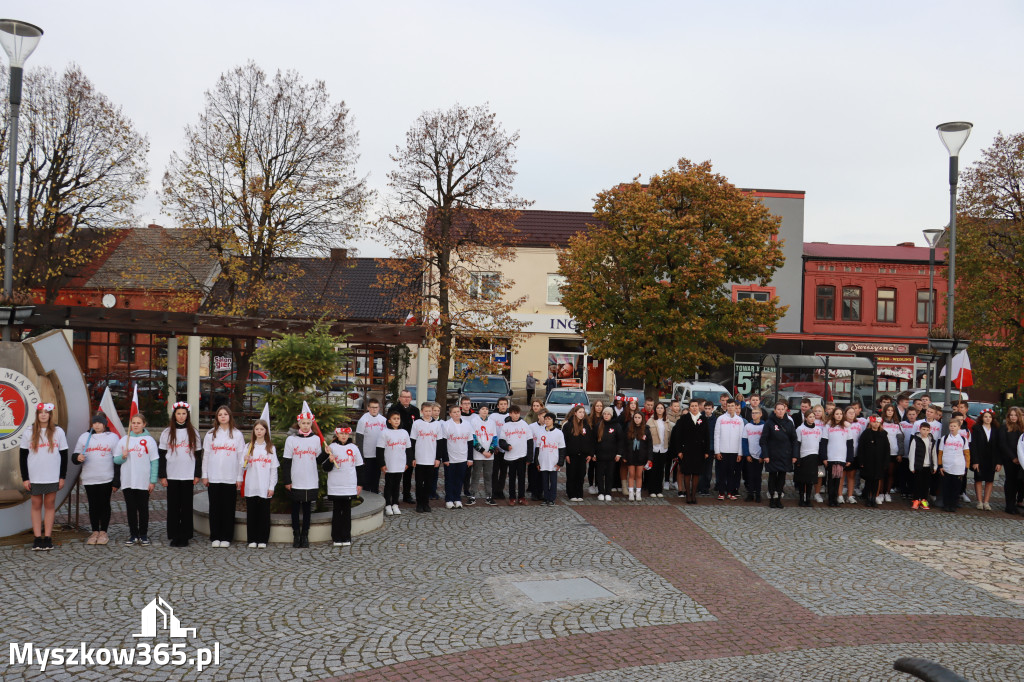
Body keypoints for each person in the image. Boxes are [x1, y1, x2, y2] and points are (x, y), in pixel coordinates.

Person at [21, 403, 69, 551]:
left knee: (49, 505)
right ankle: (37, 538)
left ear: (50, 415)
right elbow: (23, 456)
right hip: (35, 476)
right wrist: (25, 478)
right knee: (36, 505)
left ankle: (47, 537)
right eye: (40, 412)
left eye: (46, 412)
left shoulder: (58, 432)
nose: (43, 415)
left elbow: (64, 455)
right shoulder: (29, 432)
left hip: (52, 475)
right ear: (36, 415)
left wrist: (62, 477)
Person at [72, 413, 120, 546]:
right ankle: (94, 531)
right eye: (95, 422)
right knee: (93, 505)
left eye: (100, 422)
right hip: (89, 477)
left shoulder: (112, 438)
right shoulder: (84, 437)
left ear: (105, 424)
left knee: (104, 504)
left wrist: (117, 480)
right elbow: (75, 455)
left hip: (106, 477)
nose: (97, 425)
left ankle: (103, 531)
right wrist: (77, 458)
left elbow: (117, 460)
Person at [159, 402, 203, 548]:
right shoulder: (167, 433)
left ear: (187, 415)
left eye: (184, 413)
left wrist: (197, 473)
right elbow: (162, 454)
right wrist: (163, 475)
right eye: (178, 413)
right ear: (174, 415)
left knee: (186, 506)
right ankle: (174, 534)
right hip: (172, 474)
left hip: (187, 474)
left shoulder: (193, 432)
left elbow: (198, 455)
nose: (181, 416)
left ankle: (185, 535)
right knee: (173, 506)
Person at [282, 406, 327, 547]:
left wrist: (326, 452)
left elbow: (318, 461)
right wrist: (287, 480)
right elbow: (286, 462)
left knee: (307, 509)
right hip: (296, 480)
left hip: (310, 480)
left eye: (308, 423)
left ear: (311, 424)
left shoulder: (315, 440)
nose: (306, 426)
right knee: (295, 508)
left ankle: (305, 535)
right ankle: (296, 534)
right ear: (299, 424)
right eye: (303, 423)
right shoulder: (291, 440)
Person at [202, 405, 246, 548]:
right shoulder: (210, 434)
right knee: (215, 508)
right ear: (216, 417)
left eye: (225, 414)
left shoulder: (237, 435)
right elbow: (206, 456)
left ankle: (227, 536)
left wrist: (240, 477)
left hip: (230, 477)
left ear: (229, 416)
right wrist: (205, 475)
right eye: (220, 414)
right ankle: (215, 536)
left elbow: (241, 457)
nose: (222, 416)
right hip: (214, 477)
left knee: (228, 508)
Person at [114, 413, 158, 546]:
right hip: (128, 480)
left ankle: (143, 534)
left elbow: (154, 461)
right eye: (133, 423)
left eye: (139, 423)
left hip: (143, 480)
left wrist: (153, 480)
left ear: (144, 424)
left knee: (143, 508)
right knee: (131, 508)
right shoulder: (124, 440)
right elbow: (116, 460)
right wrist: (123, 456)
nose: (136, 425)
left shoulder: (149, 440)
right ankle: (133, 534)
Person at [240, 418, 278, 548]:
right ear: (254, 431)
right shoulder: (248, 447)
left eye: (262, 429)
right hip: (252, 485)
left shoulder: (271, 448)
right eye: (257, 429)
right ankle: (252, 539)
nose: (259, 431)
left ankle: (262, 539)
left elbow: (273, 469)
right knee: (252, 513)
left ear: (266, 431)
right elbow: (243, 467)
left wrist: (271, 486)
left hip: (264, 486)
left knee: (264, 514)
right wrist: (245, 460)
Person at [324, 425, 362, 546]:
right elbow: (325, 468)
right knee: (336, 511)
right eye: (341, 434)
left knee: (346, 512)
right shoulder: (331, 448)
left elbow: (360, 467)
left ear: (349, 435)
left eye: (346, 434)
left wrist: (360, 484)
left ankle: (346, 536)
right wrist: (329, 460)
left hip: (349, 484)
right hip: (336, 485)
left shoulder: (354, 448)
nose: (344, 436)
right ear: (337, 435)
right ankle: (336, 537)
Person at [669, 399, 710, 504]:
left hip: (699, 450)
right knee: (687, 472)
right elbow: (678, 436)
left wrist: (706, 451)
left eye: (696, 406)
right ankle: (687, 494)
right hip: (686, 450)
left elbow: (707, 435)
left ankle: (693, 494)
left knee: (696, 473)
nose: (694, 408)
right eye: (692, 406)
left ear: (699, 407)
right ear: (689, 407)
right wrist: (679, 451)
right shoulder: (684, 419)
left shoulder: (703, 418)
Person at [760, 400, 798, 508]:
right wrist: (765, 455)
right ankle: (772, 497)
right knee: (772, 477)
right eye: (778, 409)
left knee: (782, 477)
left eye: (782, 409)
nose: (780, 411)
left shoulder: (789, 423)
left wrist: (795, 455)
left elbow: (794, 440)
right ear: (775, 410)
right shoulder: (769, 422)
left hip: (785, 455)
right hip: (772, 455)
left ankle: (779, 498)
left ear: (785, 410)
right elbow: (763, 440)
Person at [409, 402, 443, 513]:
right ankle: (419, 503)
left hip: (431, 458)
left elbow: (440, 442)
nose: (428, 413)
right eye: (426, 411)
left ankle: (426, 503)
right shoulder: (417, 423)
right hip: (419, 458)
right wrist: (412, 457)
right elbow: (412, 441)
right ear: (422, 411)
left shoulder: (437, 424)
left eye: (430, 411)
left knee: (429, 483)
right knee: (419, 483)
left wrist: (438, 458)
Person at [498, 404, 534, 505]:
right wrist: (506, 446)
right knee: (512, 477)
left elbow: (530, 441)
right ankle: (512, 497)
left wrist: (529, 457)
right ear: (510, 414)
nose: (516, 415)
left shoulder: (524, 424)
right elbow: (501, 441)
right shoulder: (506, 425)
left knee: (522, 477)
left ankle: (522, 497)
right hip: (510, 456)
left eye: (517, 413)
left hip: (522, 455)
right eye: (514, 413)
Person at [391, 389, 421, 504]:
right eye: (404, 397)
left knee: (408, 470)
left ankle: (407, 494)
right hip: (396, 443)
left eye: (408, 397)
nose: (406, 399)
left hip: (410, 444)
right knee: (395, 471)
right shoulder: (394, 409)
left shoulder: (415, 410)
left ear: (411, 398)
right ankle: (394, 495)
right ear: (400, 398)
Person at [378, 411, 411, 516]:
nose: (396, 420)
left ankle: (395, 504)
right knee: (389, 484)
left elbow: (409, 449)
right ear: (389, 421)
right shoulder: (385, 433)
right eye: (394, 418)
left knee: (397, 484)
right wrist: (382, 464)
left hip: (400, 462)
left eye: (398, 418)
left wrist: (408, 462)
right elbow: (379, 450)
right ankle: (387, 504)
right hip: (389, 463)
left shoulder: (404, 432)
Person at [819, 407, 853, 507]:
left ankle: (836, 498)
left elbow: (850, 444)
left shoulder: (846, 427)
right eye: (837, 414)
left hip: (842, 456)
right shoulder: (828, 426)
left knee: (838, 479)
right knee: (831, 479)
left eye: (840, 414)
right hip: (831, 456)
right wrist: (824, 457)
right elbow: (824, 442)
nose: (839, 416)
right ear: (833, 415)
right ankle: (830, 499)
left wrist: (849, 458)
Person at [441, 404, 472, 509]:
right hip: (451, 457)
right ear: (450, 414)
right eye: (454, 412)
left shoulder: (467, 424)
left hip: (463, 457)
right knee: (450, 479)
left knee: (460, 479)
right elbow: (443, 443)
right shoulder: (446, 425)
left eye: (458, 411)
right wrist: (445, 458)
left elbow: (470, 442)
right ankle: (449, 499)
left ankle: (457, 498)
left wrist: (470, 458)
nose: (457, 414)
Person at [970, 409, 1001, 511]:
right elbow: (973, 445)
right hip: (979, 458)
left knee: (989, 480)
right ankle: (979, 501)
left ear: (992, 419)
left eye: (990, 417)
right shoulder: (977, 428)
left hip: (991, 459)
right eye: (986, 417)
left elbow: (998, 447)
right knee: (978, 479)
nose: (988, 419)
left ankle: (986, 501)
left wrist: (999, 462)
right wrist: (975, 461)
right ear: (982, 418)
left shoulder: (996, 429)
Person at [713, 399, 744, 500]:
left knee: (732, 472)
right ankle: (721, 492)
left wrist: (740, 453)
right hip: (722, 450)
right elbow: (716, 435)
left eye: (732, 406)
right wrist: (717, 451)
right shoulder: (721, 418)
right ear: (726, 406)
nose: (730, 408)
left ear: (736, 407)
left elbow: (741, 437)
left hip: (734, 451)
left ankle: (731, 492)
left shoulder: (739, 420)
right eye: (729, 406)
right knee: (722, 472)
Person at [938, 418, 971, 512]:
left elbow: (967, 454)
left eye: (954, 426)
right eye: (951, 426)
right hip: (946, 466)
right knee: (946, 487)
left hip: (958, 467)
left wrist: (966, 467)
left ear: (959, 427)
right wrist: (940, 466)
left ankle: (953, 504)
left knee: (956, 488)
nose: (952, 428)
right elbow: (940, 453)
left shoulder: (963, 439)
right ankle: (946, 504)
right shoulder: (945, 438)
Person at [355, 398, 387, 494]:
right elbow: (359, 439)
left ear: (379, 408)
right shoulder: (363, 420)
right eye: (372, 407)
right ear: (368, 407)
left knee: (376, 477)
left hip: (378, 454)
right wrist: (361, 456)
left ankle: (375, 494)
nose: (374, 409)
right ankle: (366, 497)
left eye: (376, 407)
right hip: (367, 454)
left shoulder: (383, 420)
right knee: (366, 478)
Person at [562, 405, 592, 501]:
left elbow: (591, 441)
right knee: (571, 475)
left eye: (583, 412)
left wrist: (590, 454)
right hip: (572, 455)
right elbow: (564, 441)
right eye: (580, 412)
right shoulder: (568, 425)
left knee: (581, 475)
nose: (582, 414)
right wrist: (566, 454)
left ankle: (579, 493)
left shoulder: (587, 426)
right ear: (575, 413)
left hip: (583, 455)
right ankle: (572, 493)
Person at [858, 416, 889, 508]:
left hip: (879, 461)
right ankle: (868, 497)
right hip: (868, 461)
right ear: (870, 423)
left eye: (878, 422)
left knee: (876, 480)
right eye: (874, 422)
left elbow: (887, 449)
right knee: (868, 480)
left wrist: (886, 462)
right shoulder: (866, 433)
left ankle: (873, 498)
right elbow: (861, 448)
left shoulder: (883, 434)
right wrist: (861, 461)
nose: (876, 424)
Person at [469, 405, 497, 505]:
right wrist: (482, 451)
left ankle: (489, 495)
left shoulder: (492, 422)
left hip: (489, 455)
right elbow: (473, 438)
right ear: (479, 411)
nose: (485, 411)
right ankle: (472, 495)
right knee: (476, 475)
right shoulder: (474, 421)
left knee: (488, 475)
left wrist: (490, 451)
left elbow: (494, 438)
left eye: (486, 409)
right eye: (482, 409)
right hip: (478, 454)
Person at [593, 407, 623, 500]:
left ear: (612, 415)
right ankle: (601, 492)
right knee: (599, 474)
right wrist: (593, 453)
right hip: (600, 455)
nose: (606, 416)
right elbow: (593, 440)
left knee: (610, 474)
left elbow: (620, 441)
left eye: (608, 414)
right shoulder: (598, 425)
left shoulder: (617, 426)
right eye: (605, 414)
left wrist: (619, 454)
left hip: (612, 456)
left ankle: (608, 492)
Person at [536, 412, 566, 506]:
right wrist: (537, 462)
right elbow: (537, 448)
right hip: (543, 460)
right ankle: (545, 497)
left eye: (549, 419)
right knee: (544, 481)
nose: (547, 421)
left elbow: (562, 449)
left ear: (553, 420)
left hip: (553, 461)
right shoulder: (540, 432)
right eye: (546, 419)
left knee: (553, 481)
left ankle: (552, 498)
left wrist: (560, 462)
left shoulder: (558, 433)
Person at [794, 411, 822, 507]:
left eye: (813, 417)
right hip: (803, 456)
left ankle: (808, 499)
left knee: (810, 480)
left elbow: (819, 443)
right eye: (810, 417)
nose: (812, 418)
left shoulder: (818, 429)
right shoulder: (800, 429)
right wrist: (797, 457)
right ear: (805, 418)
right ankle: (802, 498)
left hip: (814, 456)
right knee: (802, 480)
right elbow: (797, 444)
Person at [907, 421, 937, 510]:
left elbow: (933, 454)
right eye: (923, 429)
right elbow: (911, 453)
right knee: (917, 483)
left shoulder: (931, 440)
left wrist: (935, 466)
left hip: (928, 466)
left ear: (929, 431)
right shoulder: (915, 440)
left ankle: (924, 500)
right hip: (919, 465)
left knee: (925, 484)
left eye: (927, 430)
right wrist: (911, 466)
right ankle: (916, 499)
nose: (925, 432)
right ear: (920, 429)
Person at [1000, 406, 1024, 515]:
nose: (1013, 417)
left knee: (1018, 483)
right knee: (1010, 482)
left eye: (1015, 415)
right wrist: (1013, 457)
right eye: (1011, 415)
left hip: (1021, 459)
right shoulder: (1004, 427)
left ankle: (1014, 503)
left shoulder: (1022, 428)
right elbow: (1003, 444)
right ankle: (1009, 505)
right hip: (1009, 459)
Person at [878, 404, 904, 504]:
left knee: (890, 473)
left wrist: (900, 453)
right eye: (888, 410)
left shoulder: (898, 424)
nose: (890, 412)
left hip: (894, 452)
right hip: (882, 453)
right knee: (882, 473)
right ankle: (880, 493)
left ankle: (887, 493)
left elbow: (901, 440)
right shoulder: (881, 423)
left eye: (891, 410)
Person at [625, 410, 652, 501]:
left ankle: (638, 493)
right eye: (635, 417)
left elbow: (649, 445)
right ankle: (631, 493)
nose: (637, 419)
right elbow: (624, 443)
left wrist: (649, 458)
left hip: (641, 455)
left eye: (639, 418)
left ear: (642, 419)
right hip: (630, 455)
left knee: (639, 475)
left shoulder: (646, 429)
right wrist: (624, 456)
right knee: (631, 474)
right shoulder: (629, 428)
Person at [646, 403, 670, 498]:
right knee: (653, 470)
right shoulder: (650, 421)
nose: (660, 410)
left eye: (661, 408)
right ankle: (651, 490)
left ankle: (659, 489)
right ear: (655, 410)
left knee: (661, 470)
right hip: (653, 448)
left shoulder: (667, 421)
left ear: (664, 410)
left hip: (663, 449)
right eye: (658, 408)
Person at [491, 397, 512, 501]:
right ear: (498, 406)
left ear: (507, 405)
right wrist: (494, 446)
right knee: (495, 471)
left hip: (506, 449)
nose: (503, 406)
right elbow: (491, 432)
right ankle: (494, 490)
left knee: (504, 471)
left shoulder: (510, 416)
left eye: (505, 404)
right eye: (501, 404)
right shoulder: (493, 417)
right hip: (496, 449)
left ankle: (500, 490)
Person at [742, 407, 765, 502]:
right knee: (750, 475)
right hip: (750, 455)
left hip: (759, 456)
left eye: (756, 413)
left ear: (760, 414)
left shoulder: (764, 426)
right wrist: (747, 454)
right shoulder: (747, 426)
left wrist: (762, 455)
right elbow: (744, 441)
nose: (754, 414)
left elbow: (766, 442)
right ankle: (750, 493)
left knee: (758, 476)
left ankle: (758, 494)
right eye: (752, 413)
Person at [698, 400, 719, 495]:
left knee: (708, 470)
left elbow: (716, 435)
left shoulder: (715, 420)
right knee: (700, 469)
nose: (707, 410)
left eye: (709, 409)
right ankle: (699, 487)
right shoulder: (700, 418)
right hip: (701, 447)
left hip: (711, 448)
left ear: (712, 409)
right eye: (706, 408)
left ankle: (706, 487)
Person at [585, 400, 605, 494]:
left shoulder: (604, 417)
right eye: (597, 406)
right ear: (594, 407)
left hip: (601, 445)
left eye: (601, 406)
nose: (599, 407)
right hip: (591, 444)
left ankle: (598, 484)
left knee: (599, 467)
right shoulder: (589, 417)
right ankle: (591, 485)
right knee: (591, 467)